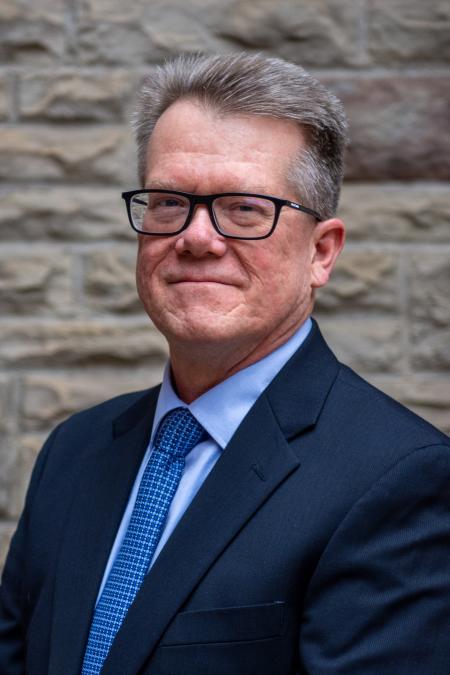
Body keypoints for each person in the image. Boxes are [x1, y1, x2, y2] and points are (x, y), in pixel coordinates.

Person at [1, 52, 449, 675]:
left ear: (322, 252)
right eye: (167, 202)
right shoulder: (74, 452)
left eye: (244, 208)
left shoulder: (402, 481)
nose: (196, 236)